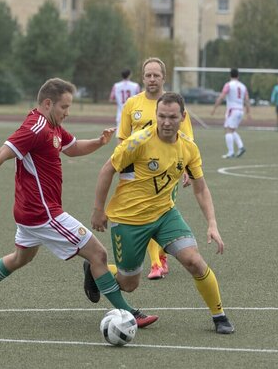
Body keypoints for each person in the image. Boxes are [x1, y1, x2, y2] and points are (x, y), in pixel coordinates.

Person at [0, 78, 158, 329]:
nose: (67, 113)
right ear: (48, 104)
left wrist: (98, 142)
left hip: (30, 211)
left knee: (20, 258)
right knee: (98, 254)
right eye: (64, 107)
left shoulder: (53, 126)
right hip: (44, 213)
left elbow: (71, 148)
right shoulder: (35, 128)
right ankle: (129, 313)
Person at [90, 92, 234, 334]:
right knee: (129, 284)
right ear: (156, 115)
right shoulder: (138, 142)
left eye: (172, 117)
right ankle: (97, 271)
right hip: (129, 219)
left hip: (165, 214)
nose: (166, 122)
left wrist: (212, 223)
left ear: (183, 117)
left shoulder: (188, 147)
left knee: (194, 261)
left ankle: (219, 316)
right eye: (161, 116)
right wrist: (98, 210)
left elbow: (200, 187)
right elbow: (107, 170)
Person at [117, 57, 194, 280]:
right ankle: (153, 261)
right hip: (137, 174)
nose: (152, 79)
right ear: (143, 78)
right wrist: (122, 169)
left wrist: (187, 169)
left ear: (164, 77)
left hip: (167, 172)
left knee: (159, 211)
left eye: (156, 75)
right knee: (143, 214)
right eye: (148, 75)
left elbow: (187, 139)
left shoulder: (173, 105)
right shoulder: (132, 104)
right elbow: (123, 139)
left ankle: (157, 260)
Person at [210, 68, 250, 159]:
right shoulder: (243, 86)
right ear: (238, 76)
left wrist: (214, 108)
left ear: (230, 75)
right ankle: (241, 147)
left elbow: (221, 96)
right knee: (232, 130)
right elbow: (247, 99)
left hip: (233, 110)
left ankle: (230, 152)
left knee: (228, 130)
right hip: (240, 110)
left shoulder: (228, 85)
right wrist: (248, 112)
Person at [109, 69, 140, 138]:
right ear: (129, 75)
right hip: (133, 115)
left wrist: (119, 102)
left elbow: (111, 99)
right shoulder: (135, 86)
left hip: (121, 114)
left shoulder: (116, 86)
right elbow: (139, 99)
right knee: (133, 137)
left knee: (120, 137)